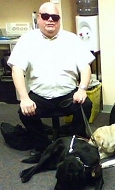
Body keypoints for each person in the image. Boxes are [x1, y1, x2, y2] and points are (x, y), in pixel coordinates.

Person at [8, 2, 95, 163]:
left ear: (59, 20)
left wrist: (82, 88)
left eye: (54, 17)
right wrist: (24, 97)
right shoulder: (27, 40)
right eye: (46, 16)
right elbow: (17, 70)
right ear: (39, 18)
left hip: (68, 94)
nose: (50, 20)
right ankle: (43, 146)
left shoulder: (72, 39)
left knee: (86, 105)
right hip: (40, 95)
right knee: (23, 112)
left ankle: (74, 142)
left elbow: (85, 67)